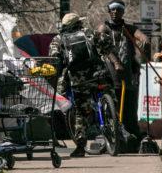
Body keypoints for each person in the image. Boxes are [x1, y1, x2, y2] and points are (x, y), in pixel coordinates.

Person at [48, 12, 116, 157]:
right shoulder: (89, 33)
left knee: (80, 112)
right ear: (79, 23)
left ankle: (80, 146)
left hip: (78, 80)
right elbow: (108, 43)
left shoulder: (58, 39)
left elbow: (55, 59)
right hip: (98, 74)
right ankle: (116, 128)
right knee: (110, 100)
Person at [96, 0, 149, 142]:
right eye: (112, 9)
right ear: (109, 11)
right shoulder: (104, 28)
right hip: (109, 72)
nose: (115, 12)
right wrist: (116, 62)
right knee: (114, 103)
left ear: (123, 12)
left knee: (130, 104)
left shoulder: (129, 28)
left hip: (128, 72)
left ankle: (132, 131)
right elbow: (103, 47)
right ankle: (114, 131)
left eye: (118, 9)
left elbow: (141, 36)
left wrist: (144, 40)